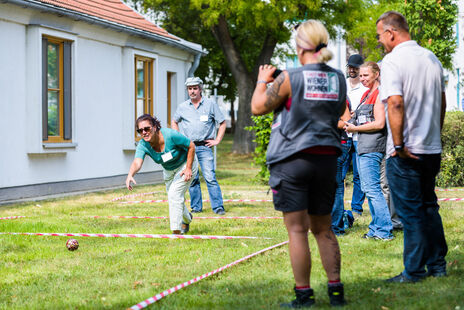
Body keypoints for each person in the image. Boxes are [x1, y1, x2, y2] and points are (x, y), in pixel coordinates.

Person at [251, 20, 347, 307]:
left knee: (296, 230)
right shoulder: (339, 78)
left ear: (300, 46)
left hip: (292, 159)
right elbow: (339, 109)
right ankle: (336, 292)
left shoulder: (290, 77)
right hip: (327, 158)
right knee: (324, 228)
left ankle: (303, 296)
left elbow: (257, 107)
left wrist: (262, 79)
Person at [376, 11, 448, 282]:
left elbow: (395, 102)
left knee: (411, 211)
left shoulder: (393, 60)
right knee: (429, 206)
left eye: (380, 36)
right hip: (430, 146)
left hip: (405, 149)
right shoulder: (431, 58)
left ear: (391, 33)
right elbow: (441, 101)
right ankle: (437, 265)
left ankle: (414, 271)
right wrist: (435, 136)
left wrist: (398, 144)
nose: (380, 41)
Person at [344, 61, 394, 241]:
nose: (362, 78)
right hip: (363, 146)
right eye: (361, 75)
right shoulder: (367, 94)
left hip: (373, 147)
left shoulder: (379, 94)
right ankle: (375, 227)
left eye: (366, 75)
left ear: (376, 74)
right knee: (368, 188)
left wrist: (355, 129)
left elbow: (380, 124)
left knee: (373, 190)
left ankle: (384, 231)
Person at [126, 114, 198, 235]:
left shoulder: (170, 135)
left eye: (147, 128)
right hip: (168, 170)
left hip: (185, 164)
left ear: (154, 127)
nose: (144, 132)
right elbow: (137, 162)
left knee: (174, 195)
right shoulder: (143, 145)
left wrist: (189, 168)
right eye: (140, 130)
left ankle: (176, 232)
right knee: (173, 197)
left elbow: (191, 146)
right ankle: (187, 218)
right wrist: (130, 174)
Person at [172, 77, 227, 215]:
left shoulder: (210, 104)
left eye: (195, 88)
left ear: (200, 89)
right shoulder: (182, 107)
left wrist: (217, 140)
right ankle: (196, 207)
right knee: (192, 178)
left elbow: (222, 123)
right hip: (188, 148)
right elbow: (174, 121)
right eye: (190, 89)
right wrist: (178, 139)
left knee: (210, 177)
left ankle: (218, 207)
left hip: (204, 147)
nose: (192, 91)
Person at [345, 55, 368, 218]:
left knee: (360, 175)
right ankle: (337, 207)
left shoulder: (366, 88)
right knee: (340, 174)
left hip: (360, 135)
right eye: (350, 67)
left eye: (355, 67)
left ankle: (357, 208)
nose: (352, 70)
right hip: (343, 135)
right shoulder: (343, 85)